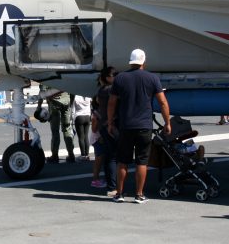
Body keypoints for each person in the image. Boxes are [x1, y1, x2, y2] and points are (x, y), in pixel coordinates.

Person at [108, 49, 171, 204]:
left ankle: (120, 194)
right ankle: (139, 195)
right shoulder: (152, 78)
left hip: (126, 125)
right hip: (144, 126)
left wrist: (110, 122)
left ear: (130, 61)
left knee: (122, 160)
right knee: (142, 161)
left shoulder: (120, 78)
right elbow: (162, 102)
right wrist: (167, 123)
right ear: (144, 61)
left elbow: (112, 102)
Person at [92, 66, 118, 194]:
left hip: (103, 126)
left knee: (109, 156)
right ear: (107, 77)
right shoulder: (110, 90)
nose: (116, 77)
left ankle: (111, 184)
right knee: (113, 157)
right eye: (114, 75)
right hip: (110, 125)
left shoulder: (101, 90)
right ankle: (113, 186)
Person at [39, 85, 75, 163]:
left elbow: (42, 92)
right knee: (67, 129)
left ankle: (55, 156)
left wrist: (39, 106)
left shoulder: (46, 75)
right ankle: (71, 154)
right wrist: (70, 104)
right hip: (66, 102)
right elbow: (73, 90)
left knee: (55, 131)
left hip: (54, 104)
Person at [72, 95, 92, 160]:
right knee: (86, 136)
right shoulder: (88, 96)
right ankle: (87, 154)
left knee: (81, 137)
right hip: (87, 116)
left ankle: (83, 155)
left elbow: (73, 109)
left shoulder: (75, 96)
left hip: (79, 117)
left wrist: (72, 119)